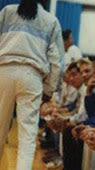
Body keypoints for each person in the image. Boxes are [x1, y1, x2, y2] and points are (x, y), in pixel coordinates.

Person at [0, 0, 64, 169]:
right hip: (32, 76)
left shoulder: (7, 11)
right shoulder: (51, 21)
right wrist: (49, 90)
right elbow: (56, 62)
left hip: (4, 71)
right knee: (27, 137)